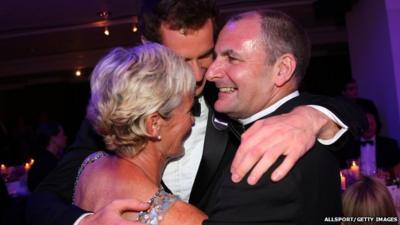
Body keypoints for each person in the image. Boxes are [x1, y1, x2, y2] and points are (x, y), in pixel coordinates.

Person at [26, 1, 366, 225]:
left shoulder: (232, 96)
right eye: (179, 60)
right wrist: (83, 223)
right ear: (147, 45)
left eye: (206, 55)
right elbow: (37, 203)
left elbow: (351, 115)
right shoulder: (110, 115)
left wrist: (312, 117)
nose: (200, 74)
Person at [201, 10, 342, 224]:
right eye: (215, 57)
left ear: (282, 70)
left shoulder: (267, 157)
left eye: (232, 58)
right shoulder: (311, 125)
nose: (210, 73)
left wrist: (154, 203)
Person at [74, 43, 207, 224]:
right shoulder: (182, 219)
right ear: (153, 125)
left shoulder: (90, 167)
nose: (192, 120)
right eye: (190, 110)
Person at [341, 111, 400, 177]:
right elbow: (344, 167)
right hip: (359, 184)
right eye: (366, 125)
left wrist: (389, 173)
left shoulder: (389, 144)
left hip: (382, 184)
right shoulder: (350, 146)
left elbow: (398, 165)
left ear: (377, 125)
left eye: (372, 124)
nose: (369, 127)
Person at [27, 122, 67, 191]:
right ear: (53, 138)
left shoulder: (41, 159)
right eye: (62, 134)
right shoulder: (51, 164)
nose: (65, 137)